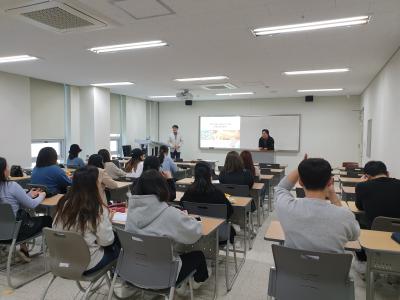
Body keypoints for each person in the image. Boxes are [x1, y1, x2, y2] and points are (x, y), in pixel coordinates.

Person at [126, 170, 209, 291]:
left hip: (134, 271)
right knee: (199, 256)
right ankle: (193, 284)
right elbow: (194, 234)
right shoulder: (169, 213)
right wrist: (186, 219)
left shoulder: (131, 210)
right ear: (162, 187)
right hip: (162, 276)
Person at [275, 156, 360, 253]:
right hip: (330, 268)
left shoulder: (286, 207)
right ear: (330, 182)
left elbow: (281, 188)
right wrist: (334, 197)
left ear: (300, 182)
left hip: (293, 267)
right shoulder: (345, 216)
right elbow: (355, 236)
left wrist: (300, 168)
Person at [53, 166, 119, 274]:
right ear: (94, 185)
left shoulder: (64, 203)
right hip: (87, 263)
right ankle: (120, 277)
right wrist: (108, 221)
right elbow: (106, 241)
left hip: (63, 259)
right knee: (119, 246)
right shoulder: (96, 208)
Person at [0, 157, 52, 262]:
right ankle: (51, 253)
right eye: (7, 166)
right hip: (16, 233)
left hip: (2, 232)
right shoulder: (12, 186)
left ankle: (24, 250)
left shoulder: (9, 188)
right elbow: (32, 205)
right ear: (3, 171)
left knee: (21, 217)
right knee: (48, 219)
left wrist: (27, 195)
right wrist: (42, 194)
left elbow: (12, 201)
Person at [181, 161, 235, 243]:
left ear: (195, 175)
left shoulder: (188, 193)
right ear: (210, 175)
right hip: (218, 234)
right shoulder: (218, 193)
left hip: (195, 231)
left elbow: (182, 210)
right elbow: (229, 212)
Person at [355, 161, 400, 229]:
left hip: (373, 228)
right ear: (387, 173)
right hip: (397, 230)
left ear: (366, 176)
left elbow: (360, 207)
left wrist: (361, 184)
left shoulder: (362, 186)